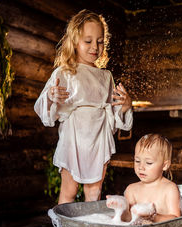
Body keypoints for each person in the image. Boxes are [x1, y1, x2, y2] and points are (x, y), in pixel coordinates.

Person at [34, 9, 133, 204]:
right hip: (74, 139)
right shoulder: (66, 72)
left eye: (100, 41)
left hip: (99, 138)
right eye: (88, 41)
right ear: (74, 41)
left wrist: (125, 106)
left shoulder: (106, 77)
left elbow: (113, 113)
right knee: (69, 191)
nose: (95, 47)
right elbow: (44, 107)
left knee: (94, 193)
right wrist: (52, 97)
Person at [106, 134, 182, 224]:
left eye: (149, 163)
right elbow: (129, 220)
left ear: (165, 165)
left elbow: (176, 219)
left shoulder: (169, 189)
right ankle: (121, 209)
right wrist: (123, 211)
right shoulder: (131, 189)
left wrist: (153, 217)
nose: (141, 167)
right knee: (124, 214)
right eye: (137, 161)